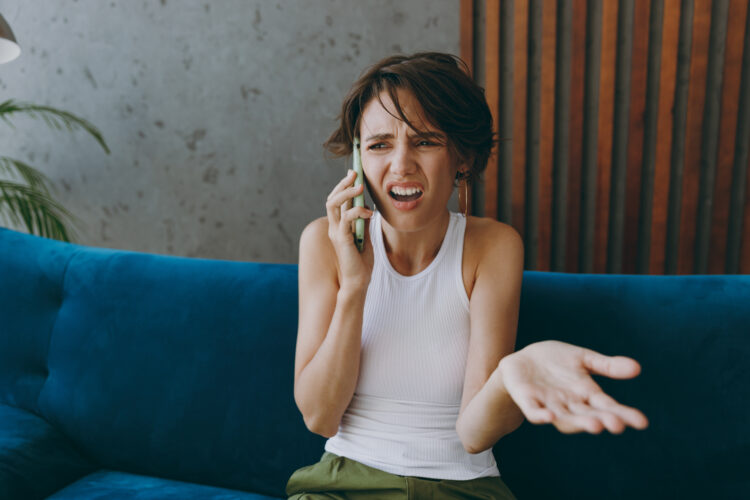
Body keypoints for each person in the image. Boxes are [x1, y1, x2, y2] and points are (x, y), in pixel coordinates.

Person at [287, 52, 648, 499]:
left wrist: (513, 373)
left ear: (462, 157)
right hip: (341, 486)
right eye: (380, 144)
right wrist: (355, 287)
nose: (400, 164)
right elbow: (320, 417)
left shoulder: (493, 247)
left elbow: (475, 434)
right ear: (358, 162)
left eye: (424, 141)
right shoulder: (323, 241)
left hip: (461, 488)